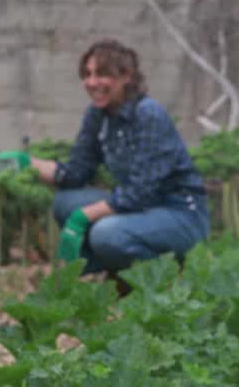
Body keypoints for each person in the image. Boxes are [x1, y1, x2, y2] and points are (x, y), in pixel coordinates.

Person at [30, 38, 209, 278]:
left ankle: (166, 277)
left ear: (127, 76)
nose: (92, 83)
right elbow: (75, 173)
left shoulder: (148, 114)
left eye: (102, 74)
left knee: (106, 234)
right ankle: (117, 271)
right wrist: (23, 162)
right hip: (143, 212)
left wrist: (82, 217)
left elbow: (141, 193)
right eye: (87, 74)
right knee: (65, 202)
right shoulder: (98, 115)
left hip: (180, 215)